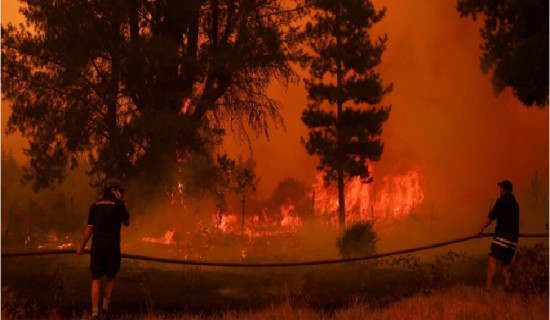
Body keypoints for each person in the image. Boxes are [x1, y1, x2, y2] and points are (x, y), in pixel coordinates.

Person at [77, 178, 130, 320]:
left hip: (97, 249)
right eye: (119, 190)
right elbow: (127, 222)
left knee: (96, 279)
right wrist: (123, 201)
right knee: (111, 278)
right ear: (113, 190)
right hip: (112, 248)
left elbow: (89, 229)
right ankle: (105, 310)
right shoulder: (118, 205)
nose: (120, 192)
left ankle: (95, 313)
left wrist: (82, 245)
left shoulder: (95, 205)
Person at [477, 180, 519, 290]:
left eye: (500, 188)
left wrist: (481, 229)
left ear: (503, 189)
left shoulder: (502, 201)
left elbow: (491, 216)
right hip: (513, 239)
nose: (499, 190)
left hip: (503, 236)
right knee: (505, 263)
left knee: (492, 260)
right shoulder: (515, 204)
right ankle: (508, 287)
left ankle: (487, 288)